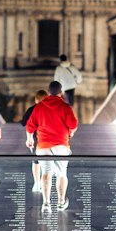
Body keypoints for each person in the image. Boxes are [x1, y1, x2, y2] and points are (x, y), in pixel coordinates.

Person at [26, 79, 78, 212]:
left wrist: (29, 139)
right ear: (61, 93)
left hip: (43, 145)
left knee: (46, 173)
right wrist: (70, 133)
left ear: (48, 92)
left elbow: (30, 126)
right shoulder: (65, 107)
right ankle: (61, 202)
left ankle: (46, 204)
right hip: (61, 144)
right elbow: (73, 125)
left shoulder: (39, 107)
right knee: (61, 174)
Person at [20, 88, 48, 193]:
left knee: (36, 161)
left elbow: (23, 122)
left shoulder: (31, 109)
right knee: (47, 162)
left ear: (36, 100)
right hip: (47, 138)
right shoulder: (49, 109)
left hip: (34, 139)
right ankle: (44, 183)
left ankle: (36, 183)